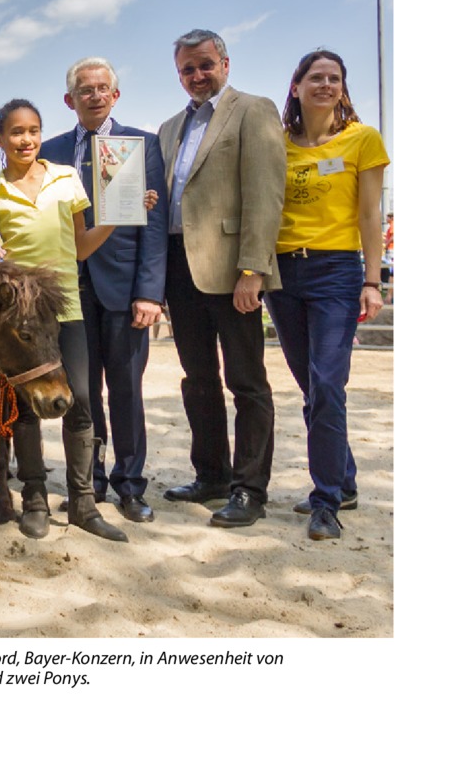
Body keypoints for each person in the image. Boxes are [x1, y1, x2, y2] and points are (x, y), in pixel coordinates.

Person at [0, 100, 126, 543]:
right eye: (16, 132)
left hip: (67, 308)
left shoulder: (66, 178)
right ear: (0, 139)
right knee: (25, 407)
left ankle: (82, 502)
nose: (27, 140)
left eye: (34, 130)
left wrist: (116, 216)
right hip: (22, 320)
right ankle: (35, 499)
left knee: (80, 397)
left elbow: (80, 248)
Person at [157, 29, 286, 528]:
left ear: (225, 64)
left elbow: (265, 194)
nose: (196, 75)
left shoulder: (253, 110)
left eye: (205, 65)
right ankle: (211, 473)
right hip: (179, 272)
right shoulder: (170, 127)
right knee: (198, 381)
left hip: (233, 273)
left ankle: (250, 490)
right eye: (187, 69)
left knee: (247, 382)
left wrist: (253, 269)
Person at [265, 50, 388, 542]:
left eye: (334, 78)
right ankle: (347, 481)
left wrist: (372, 281)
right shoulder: (277, 143)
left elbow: (369, 217)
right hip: (283, 273)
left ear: (343, 87)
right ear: (295, 86)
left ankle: (326, 500)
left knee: (328, 386)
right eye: (315, 77)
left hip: (336, 270)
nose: (326, 84)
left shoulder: (363, 140)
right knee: (312, 388)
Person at [40, 58, 167, 523]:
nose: (93, 95)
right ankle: (87, 482)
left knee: (126, 390)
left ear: (115, 95)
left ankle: (130, 485)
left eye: (102, 88)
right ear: (69, 100)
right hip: (70, 288)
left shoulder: (141, 146)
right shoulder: (49, 151)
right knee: (80, 390)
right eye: (84, 90)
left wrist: (150, 293)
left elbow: (154, 226)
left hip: (125, 287)